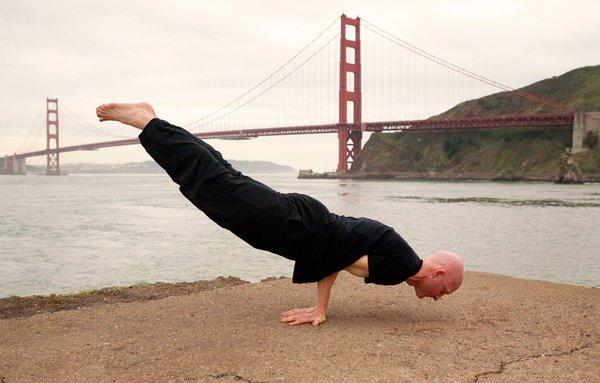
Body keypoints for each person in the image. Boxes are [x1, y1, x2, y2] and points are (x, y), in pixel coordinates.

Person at [96, 102, 464, 327]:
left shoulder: (402, 259)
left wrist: (319, 305)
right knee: (216, 186)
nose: (438, 297)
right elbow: (336, 254)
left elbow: (339, 251)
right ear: (438, 272)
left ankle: (154, 122)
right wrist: (319, 309)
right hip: (296, 226)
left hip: (301, 221)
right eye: (443, 290)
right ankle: (148, 122)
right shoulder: (404, 267)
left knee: (222, 180)